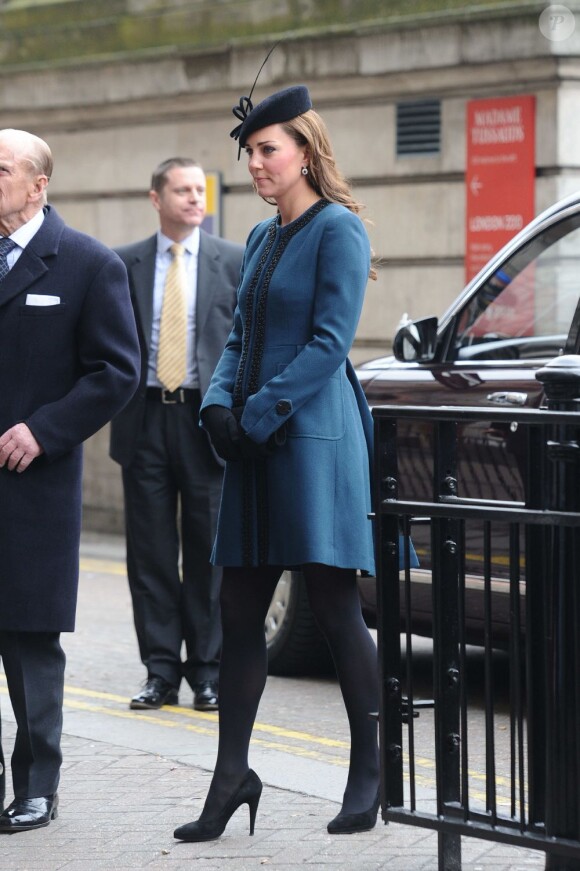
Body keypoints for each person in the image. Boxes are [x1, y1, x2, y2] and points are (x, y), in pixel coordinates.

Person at [173, 84, 380, 842]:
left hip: (312, 438)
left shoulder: (340, 230)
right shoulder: (261, 239)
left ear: (305, 150)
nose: (255, 163)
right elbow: (234, 338)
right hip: (255, 440)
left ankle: (369, 769)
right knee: (236, 609)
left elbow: (331, 344)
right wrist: (218, 405)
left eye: (268, 149)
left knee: (331, 604)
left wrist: (257, 413)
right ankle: (232, 778)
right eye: (249, 152)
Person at [0, 128, 140, 832]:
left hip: (32, 487)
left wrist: (44, 430)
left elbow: (117, 371)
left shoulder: (88, 263)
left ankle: (37, 785)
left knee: (29, 643)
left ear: (38, 184)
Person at [109, 158, 243, 713]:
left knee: (208, 553)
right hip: (143, 419)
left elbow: (246, 341)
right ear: (156, 198)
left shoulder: (232, 260)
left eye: (199, 190)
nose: (194, 199)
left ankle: (206, 674)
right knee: (151, 554)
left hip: (204, 420)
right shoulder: (123, 264)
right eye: (182, 190)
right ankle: (159, 671)